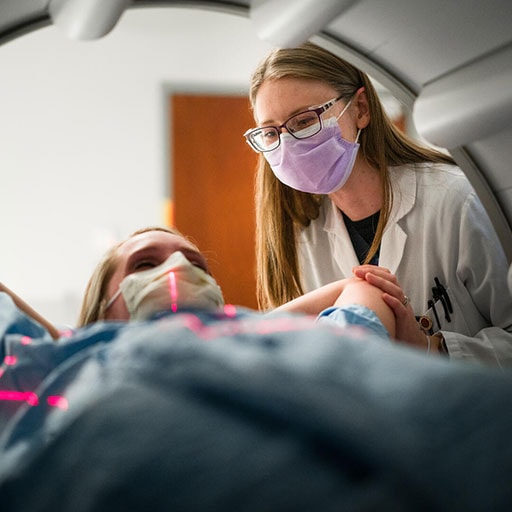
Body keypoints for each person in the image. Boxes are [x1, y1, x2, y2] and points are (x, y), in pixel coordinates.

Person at [244, 42, 512, 365]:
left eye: (304, 121)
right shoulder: (305, 236)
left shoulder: (454, 200)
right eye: (271, 133)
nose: (288, 145)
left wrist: (432, 348)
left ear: (360, 109)